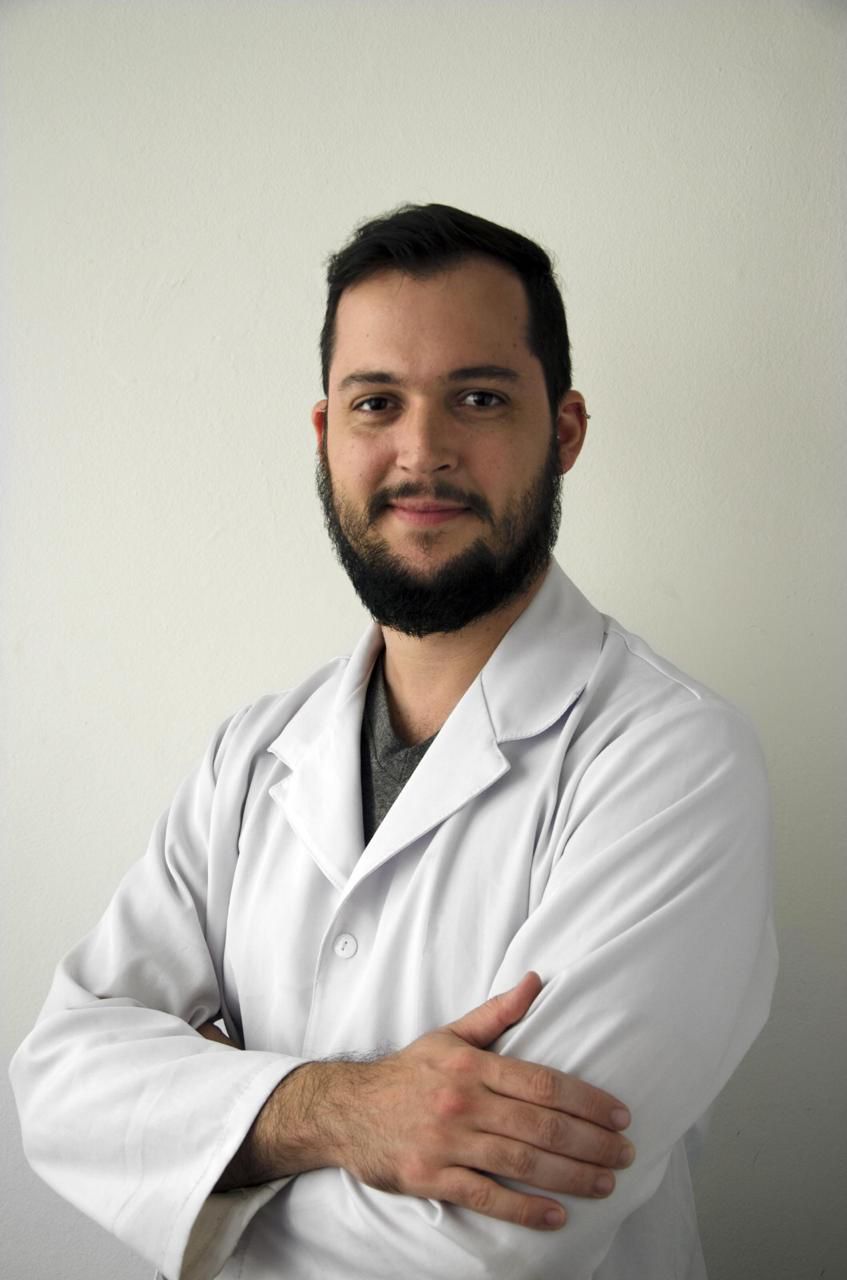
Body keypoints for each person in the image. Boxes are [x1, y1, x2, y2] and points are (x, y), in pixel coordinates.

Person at [10, 203, 777, 1280]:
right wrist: (336, 1109)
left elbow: (496, 1235)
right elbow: (59, 1079)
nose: (422, 452)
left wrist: (197, 1145)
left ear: (563, 431)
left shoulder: (672, 761)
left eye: (478, 397)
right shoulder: (253, 754)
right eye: (378, 402)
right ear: (327, 433)